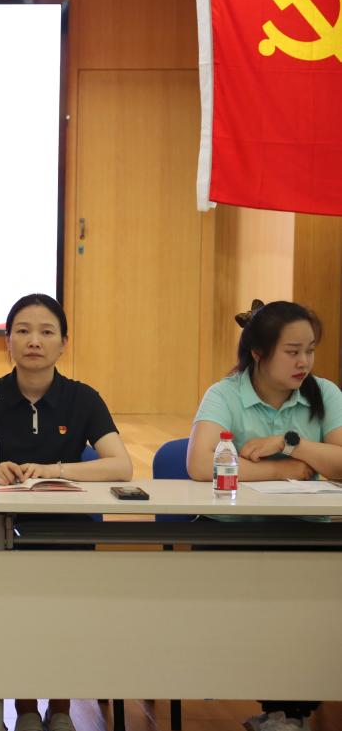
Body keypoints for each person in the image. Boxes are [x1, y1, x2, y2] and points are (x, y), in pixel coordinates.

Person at [0, 293, 132, 731]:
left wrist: (56, 470)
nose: (34, 341)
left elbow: (120, 466)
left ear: (63, 343)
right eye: (23, 331)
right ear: (8, 341)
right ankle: (22, 707)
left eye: (46, 332)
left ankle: (60, 707)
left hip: (65, 533)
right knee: (5, 592)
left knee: (65, 598)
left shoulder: (82, 399)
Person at [187, 300, 342, 731]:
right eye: (292, 351)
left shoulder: (325, 393)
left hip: (305, 532)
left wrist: (290, 443)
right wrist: (284, 469)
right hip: (231, 533)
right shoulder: (225, 393)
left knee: (307, 608)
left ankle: (286, 711)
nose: (304, 362)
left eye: (310, 350)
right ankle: (279, 709)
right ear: (258, 352)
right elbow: (200, 464)